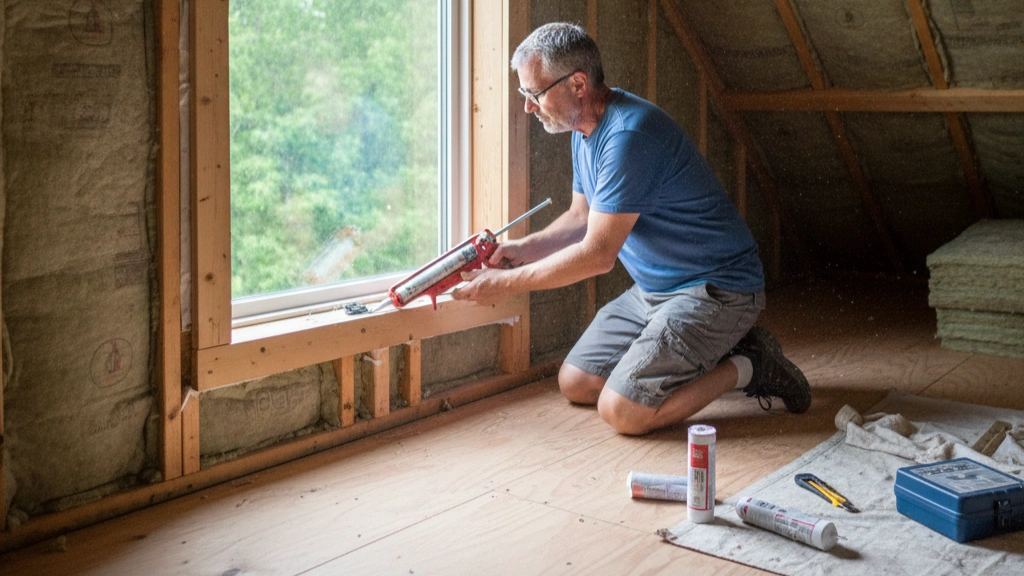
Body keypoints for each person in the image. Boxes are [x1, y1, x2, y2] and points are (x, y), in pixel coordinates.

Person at [452, 22, 809, 435]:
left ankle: (750, 364)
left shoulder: (627, 136)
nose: (529, 107)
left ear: (578, 84)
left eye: (534, 94)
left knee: (623, 412)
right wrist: (522, 249)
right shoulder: (581, 128)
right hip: (654, 290)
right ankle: (701, 354)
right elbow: (582, 218)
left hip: (716, 291)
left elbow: (597, 255)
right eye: (524, 95)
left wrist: (506, 284)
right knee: (576, 382)